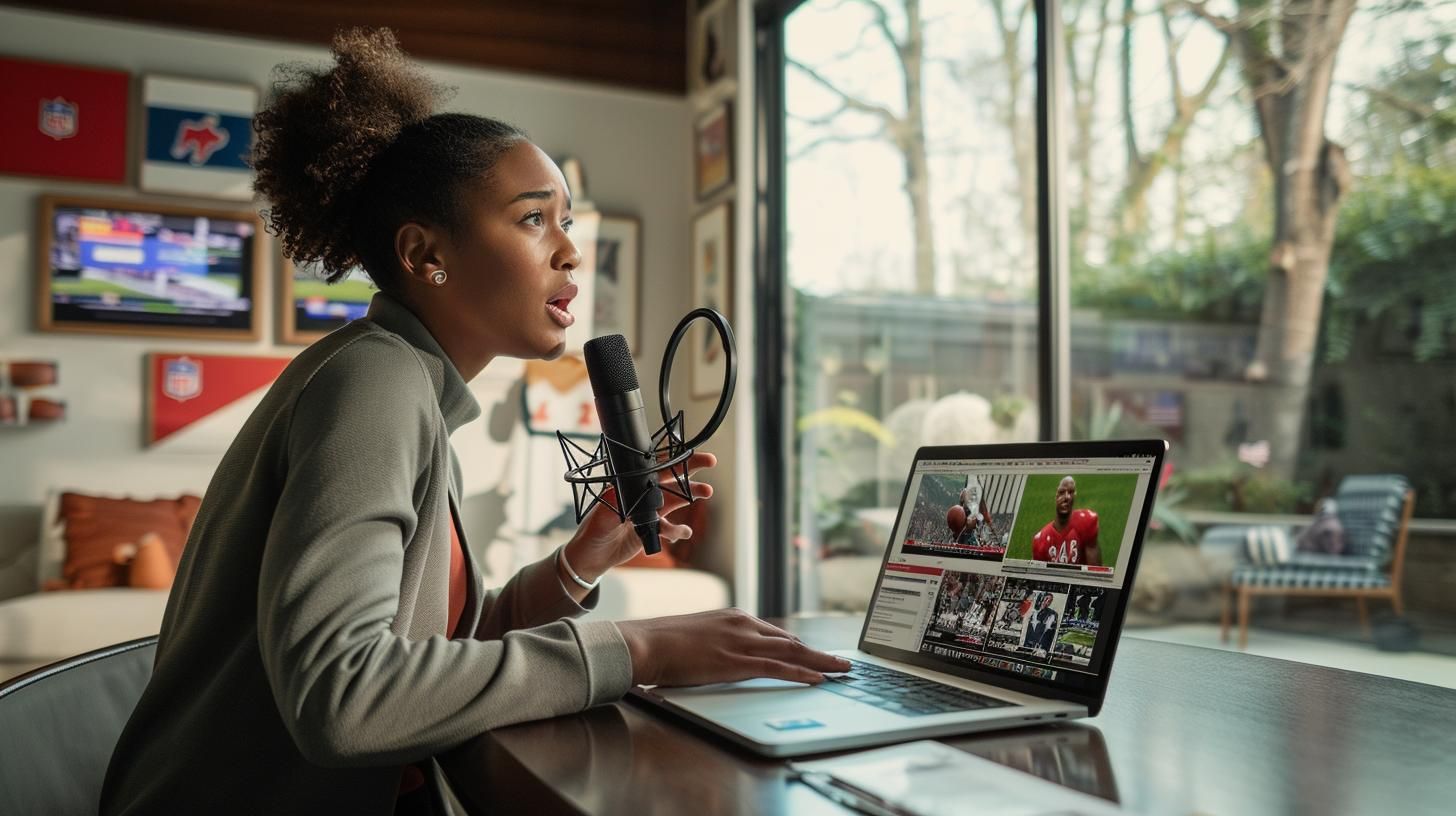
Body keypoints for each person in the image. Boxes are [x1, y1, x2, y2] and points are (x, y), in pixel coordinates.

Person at [100, 29, 847, 816]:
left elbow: (435, 657)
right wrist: (643, 646)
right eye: (533, 220)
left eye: (567, 220)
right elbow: (344, 698)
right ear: (426, 255)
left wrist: (577, 564)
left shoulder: (405, 386)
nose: (570, 254)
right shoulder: (375, 383)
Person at [1031, 476, 1101, 566]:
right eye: (1061, 492)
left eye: (1071, 492)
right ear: (1055, 495)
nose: (1066, 497)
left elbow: (1095, 571)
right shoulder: (1041, 540)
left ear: (1074, 496)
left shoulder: (1086, 522)